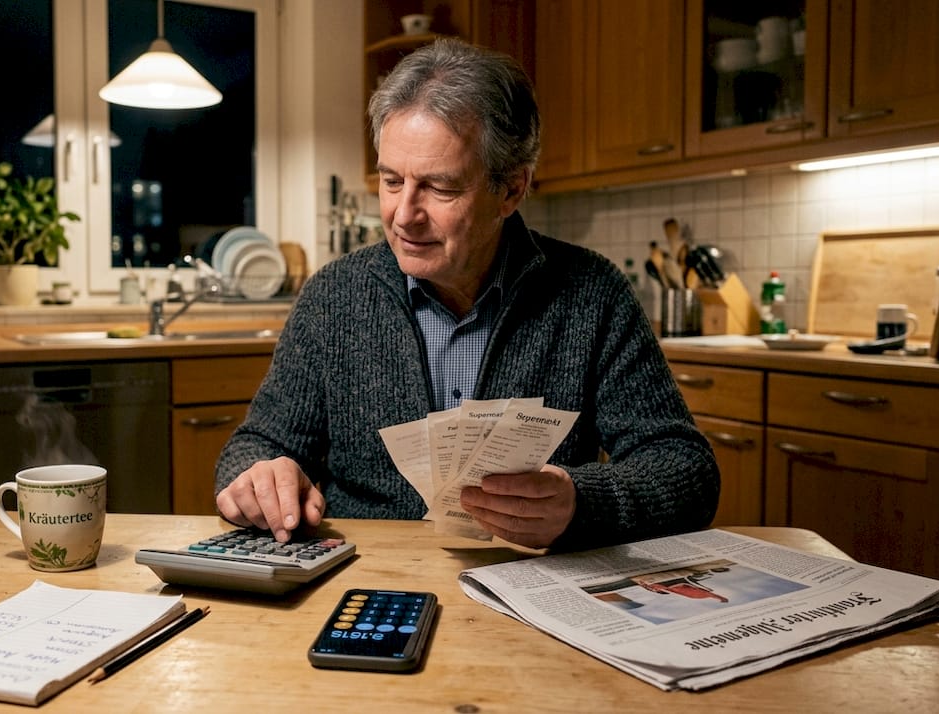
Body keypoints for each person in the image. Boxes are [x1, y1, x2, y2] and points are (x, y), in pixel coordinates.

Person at [214, 38, 718, 550]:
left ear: (512, 190)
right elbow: (256, 446)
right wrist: (260, 476)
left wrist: (581, 501)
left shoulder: (592, 293)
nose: (404, 215)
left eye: (440, 188)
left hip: (529, 583)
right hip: (370, 580)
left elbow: (686, 469)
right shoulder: (334, 296)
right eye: (391, 181)